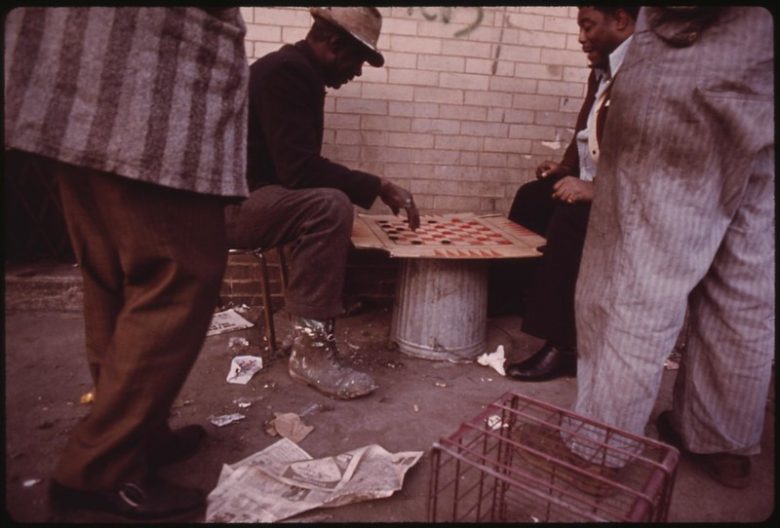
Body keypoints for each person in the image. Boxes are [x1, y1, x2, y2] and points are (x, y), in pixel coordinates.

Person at [4, 7, 250, 519]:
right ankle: (98, 471)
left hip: (76, 85)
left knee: (111, 275)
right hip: (149, 94)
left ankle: (138, 437)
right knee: (177, 274)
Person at [567, 6, 773, 488]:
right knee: (743, 280)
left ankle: (603, 443)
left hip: (692, 52)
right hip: (765, 60)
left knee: (637, 274)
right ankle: (722, 442)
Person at [225, 7, 420, 400]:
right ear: (333, 44)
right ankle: (311, 353)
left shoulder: (295, 71)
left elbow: (292, 171)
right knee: (328, 205)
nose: (358, 72)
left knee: (325, 202)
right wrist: (378, 185)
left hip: (247, 196)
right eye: (358, 60)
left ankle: (316, 312)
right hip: (229, 208)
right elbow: (300, 172)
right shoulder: (288, 72)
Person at [503, 6, 638, 381]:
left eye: (587, 26)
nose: (580, 37)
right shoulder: (605, 67)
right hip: (601, 184)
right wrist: (566, 168)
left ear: (622, 21)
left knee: (571, 218)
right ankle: (519, 299)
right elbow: (587, 127)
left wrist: (597, 189)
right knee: (532, 196)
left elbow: (646, 156)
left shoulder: (644, 71)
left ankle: (564, 344)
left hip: (632, 197)